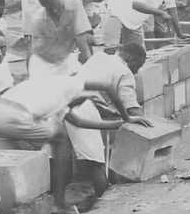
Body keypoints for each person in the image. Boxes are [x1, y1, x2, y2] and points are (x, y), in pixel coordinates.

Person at [0, 73, 128, 210]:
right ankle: (59, 202)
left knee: (3, 164)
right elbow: (107, 86)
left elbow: (78, 122)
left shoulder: (53, 96)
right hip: (15, 115)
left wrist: (117, 124)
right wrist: (128, 118)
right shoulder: (71, 84)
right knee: (60, 138)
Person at [65, 44, 152, 204]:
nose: (136, 71)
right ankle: (105, 203)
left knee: (67, 157)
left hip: (65, 104)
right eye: (137, 66)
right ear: (130, 59)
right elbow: (131, 108)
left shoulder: (99, 57)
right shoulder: (124, 72)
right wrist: (151, 129)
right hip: (82, 107)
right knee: (96, 160)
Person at [27, 0, 93, 78]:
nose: (54, 11)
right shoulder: (38, 20)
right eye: (50, 9)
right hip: (44, 62)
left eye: (56, 6)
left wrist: (89, 66)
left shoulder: (74, 5)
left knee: (80, 80)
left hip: (66, 59)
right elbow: (33, 51)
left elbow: (81, 39)